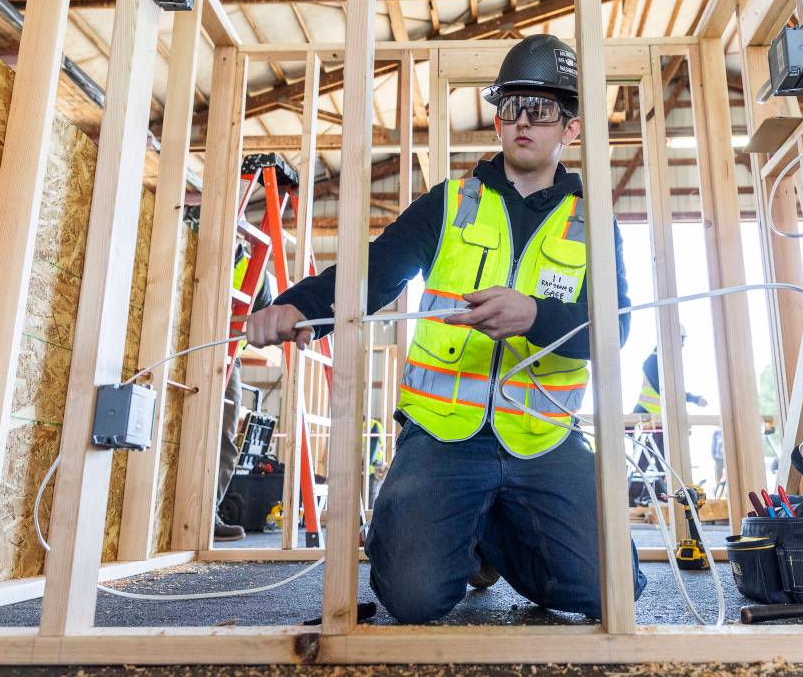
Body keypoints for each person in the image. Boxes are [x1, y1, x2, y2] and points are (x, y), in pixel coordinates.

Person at [245, 34, 646, 622]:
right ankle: (455, 523)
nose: (524, 122)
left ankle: (488, 530)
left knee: (612, 591)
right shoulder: (452, 202)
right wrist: (300, 306)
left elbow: (615, 329)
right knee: (412, 597)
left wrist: (534, 316)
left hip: (544, 440)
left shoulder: (592, 222)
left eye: (542, 110)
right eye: (512, 107)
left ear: (572, 128)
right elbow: (376, 272)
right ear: (498, 119)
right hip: (441, 436)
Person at [215, 242, 272, 541]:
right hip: (181, 345)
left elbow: (268, 319)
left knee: (224, 436)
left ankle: (208, 513)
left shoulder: (257, 270)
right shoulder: (194, 236)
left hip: (228, 354)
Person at [627, 328, 708, 506]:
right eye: (681, 340)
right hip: (646, 418)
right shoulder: (652, 362)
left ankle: (661, 497)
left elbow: (673, 394)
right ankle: (631, 497)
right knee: (643, 460)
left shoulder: (669, 365)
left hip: (661, 421)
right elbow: (665, 390)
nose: (683, 344)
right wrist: (693, 398)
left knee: (665, 460)